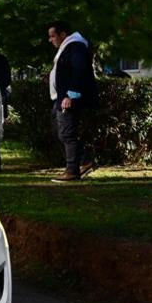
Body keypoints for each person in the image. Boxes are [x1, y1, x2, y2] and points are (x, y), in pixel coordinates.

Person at [47, 20, 97, 183]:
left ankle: (72, 171)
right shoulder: (67, 47)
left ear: (63, 34)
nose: (50, 40)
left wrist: (71, 95)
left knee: (67, 133)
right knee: (58, 131)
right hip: (60, 97)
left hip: (68, 98)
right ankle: (84, 161)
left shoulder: (75, 46)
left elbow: (79, 70)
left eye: (53, 36)